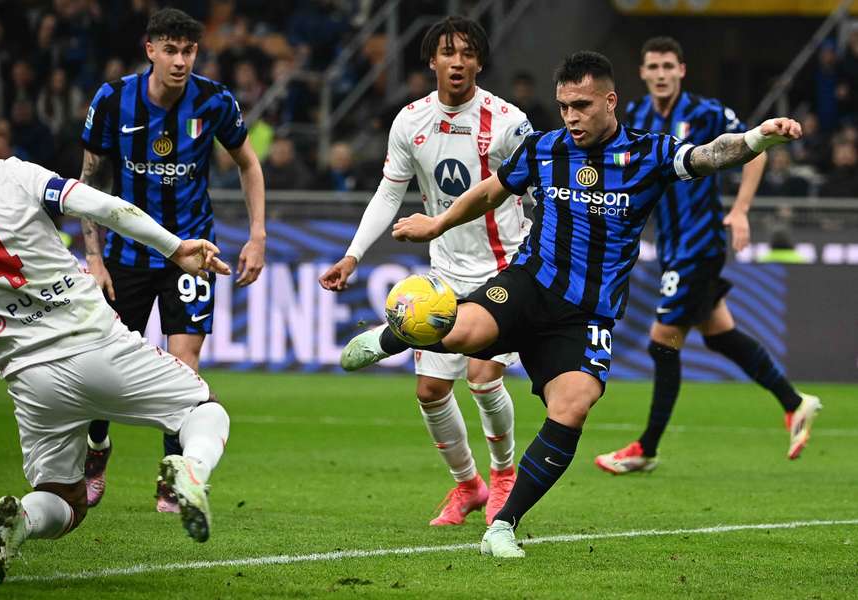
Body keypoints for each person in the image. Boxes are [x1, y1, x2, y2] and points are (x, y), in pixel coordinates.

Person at [339, 50, 807, 557]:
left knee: (573, 407)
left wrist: (759, 137)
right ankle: (386, 337)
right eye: (564, 107)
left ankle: (503, 525)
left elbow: (710, 155)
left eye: (581, 106)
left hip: (587, 314)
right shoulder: (545, 148)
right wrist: (437, 223)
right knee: (459, 331)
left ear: (610, 101)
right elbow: (492, 191)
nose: (571, 117)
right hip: (528, 285)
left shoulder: (646, 154)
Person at [0, 99, 231, 584]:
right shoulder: (6, 172)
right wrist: (175, 246)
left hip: (29, 377)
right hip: (94, 342)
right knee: (204, 410)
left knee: (63, 497)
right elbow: (102, 205)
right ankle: (190, 471)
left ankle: (19, 522)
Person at [319, 16, 532, 527]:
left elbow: (539, 191)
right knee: (430, 392)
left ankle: (504, 477)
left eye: (466, 52)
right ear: (431, 61)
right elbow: (390, 192)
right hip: (444, 276)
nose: (456, 61)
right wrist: (353, 254)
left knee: (483, 379)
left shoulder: (507, 122)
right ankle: (469, 485)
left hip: (501, 271)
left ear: (479, 61)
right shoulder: (410, 121)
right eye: (446, 52)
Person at [594, 37, 820, 475]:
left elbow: (757, 147)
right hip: (671, 247)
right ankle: (795, 402)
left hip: (699, 246)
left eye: (667, 66)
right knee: (717, 334)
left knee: (664, 342)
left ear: (681, 70)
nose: (660, 74)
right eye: (652, 67)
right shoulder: (636, 117)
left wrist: (740, 210)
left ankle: (647, 446)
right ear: (642, 73)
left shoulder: (706, 112)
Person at [78, 8, 266, 512]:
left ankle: (173, 473)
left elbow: (249, 163)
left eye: (189, 51)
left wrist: (257, 235)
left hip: (192, 253)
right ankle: (97, 450)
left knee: (184, 364)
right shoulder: (114, 100)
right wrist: (93, 259)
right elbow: (89, 184)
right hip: (125, 256)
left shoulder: (213, 101)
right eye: (171, 50)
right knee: (105, 368)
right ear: (151, 50)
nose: (181, 60)